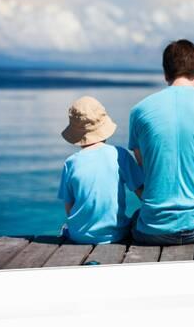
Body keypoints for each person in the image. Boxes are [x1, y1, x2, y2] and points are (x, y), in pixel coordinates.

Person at [128, 39, 194, 245]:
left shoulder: (139, 111)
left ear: (166, 74)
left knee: (136, 217)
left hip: (154, 229)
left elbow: (144, 168)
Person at [57, 96, 144, 244]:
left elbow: (69, 208)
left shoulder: (70, 163)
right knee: (137, 215)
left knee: (66, 227)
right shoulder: (119, 154)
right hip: (116, 235)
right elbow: (142, 194)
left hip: (79, 236)